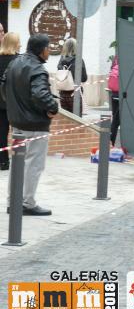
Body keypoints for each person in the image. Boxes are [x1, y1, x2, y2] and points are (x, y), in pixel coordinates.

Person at [2, 34, 58, 215]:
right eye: (48, 48)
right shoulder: (37, 69)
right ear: (42, 50)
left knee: (18, 163)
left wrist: (13, 107)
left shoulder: (14, 63)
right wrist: (52, 107)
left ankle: (14, 200)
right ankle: (26, 202)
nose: (49, 52)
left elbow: (3, 88)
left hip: (17, 122)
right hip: (35, 124)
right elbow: (41, 95)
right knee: (34, 164)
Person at [0, 31, 20, 170]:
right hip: (14, 103)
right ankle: (19, 159)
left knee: (1, 132)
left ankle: (3, 161)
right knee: (19, 133)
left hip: (0, 102)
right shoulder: (19, 60)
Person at [57, 38, 87, 114]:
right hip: (75, 93)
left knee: (67, 119)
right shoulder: (79, 60)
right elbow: (84, 78)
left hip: (63, 94)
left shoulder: (61, 60)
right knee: (77, 119)